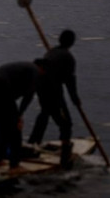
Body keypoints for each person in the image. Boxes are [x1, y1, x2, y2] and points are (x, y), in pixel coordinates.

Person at [28, 29, 80, 167]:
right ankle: (65, 154)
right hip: (53, 91)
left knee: (45, 113)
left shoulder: (51, 52)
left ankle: (33, 143)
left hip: (41, 87)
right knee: (66, 123)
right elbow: (70, 81)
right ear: (72, 42)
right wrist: (75, 99)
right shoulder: (68, 58)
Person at [0, 59, 46, 172]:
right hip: (3, 86)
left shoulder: (24, 68)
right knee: (15, 130)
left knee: (0, 126)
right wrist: (19, 116)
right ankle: (14, 165)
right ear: (42, 68)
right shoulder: (35, 71)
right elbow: (29, 95)